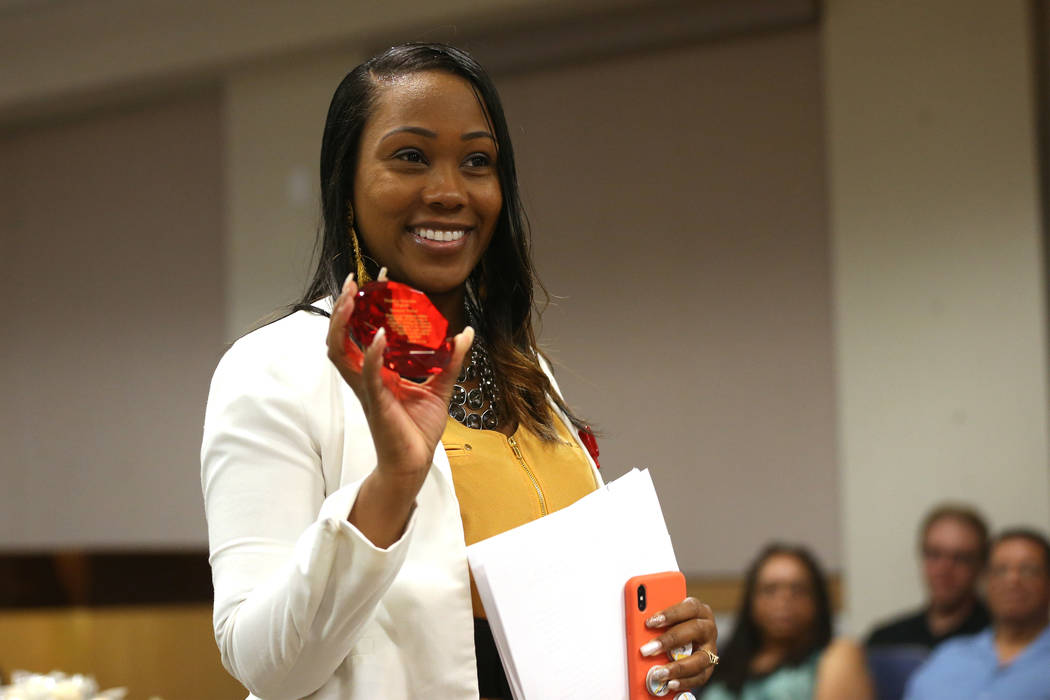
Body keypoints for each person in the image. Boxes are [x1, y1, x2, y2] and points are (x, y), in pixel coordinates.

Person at [200, 42, 717, 699]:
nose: (449, 191)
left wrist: (662, 640)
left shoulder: (525, 373)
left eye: (477, 162)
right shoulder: (274, 370)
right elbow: (264, 666)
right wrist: (393, 485)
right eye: (411, 156)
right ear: (346, 183)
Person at [701, 544, 873, 700]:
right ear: (751, 600)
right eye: (770, 590)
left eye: (798, 590)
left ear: (817, 600)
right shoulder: (725, 657)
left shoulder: (837, 655)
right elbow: (710, 664)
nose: (783, 601)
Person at [902, 529, 1050, 699]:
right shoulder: (949, 656)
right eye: (1000, 570)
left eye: (1028, 570)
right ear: (985, 582)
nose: (1012, 580)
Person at [866, 504, 990, 651]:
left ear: (981, 565)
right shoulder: (885, 641)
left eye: (960, 558)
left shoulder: (1000, 639)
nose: (944, 569)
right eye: (934, 554)